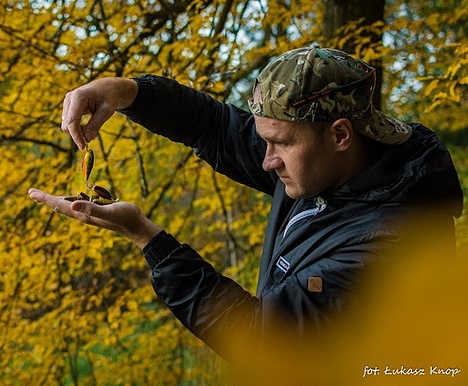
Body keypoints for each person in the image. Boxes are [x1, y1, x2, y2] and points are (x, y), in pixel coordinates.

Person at [28, 47, 463, 361]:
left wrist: (148, 239)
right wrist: (125, 92)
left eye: (279, 143)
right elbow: (215, 127)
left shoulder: (388, 249)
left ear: (341, 135)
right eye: (265, 138)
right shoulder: (332, 165)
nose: (267, 160)